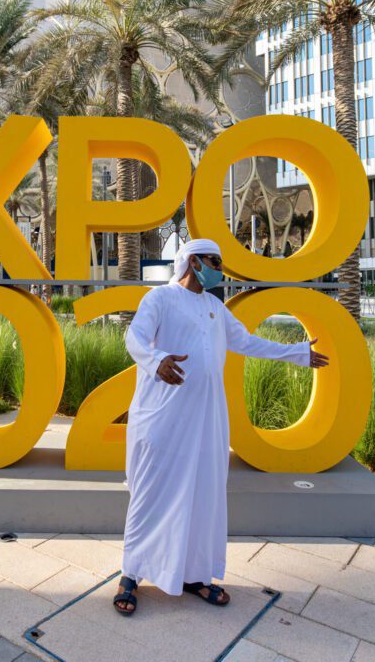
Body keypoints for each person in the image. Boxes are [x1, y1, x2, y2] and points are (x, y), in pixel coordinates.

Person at [113, 238, 329, 616]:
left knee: (203, 492)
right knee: (151, 491)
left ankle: (195, 575)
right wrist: (157, 359)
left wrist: (295, 353)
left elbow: (246, 342)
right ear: (194, 261)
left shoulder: (215, 306)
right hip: (163, 415)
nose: (220, 268)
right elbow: (134, 337)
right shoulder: (160, 299)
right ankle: (131, 574)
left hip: (206, 417)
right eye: (214, 260)